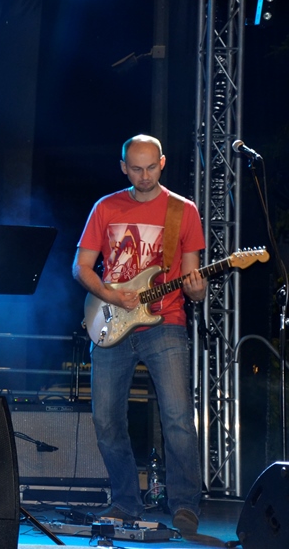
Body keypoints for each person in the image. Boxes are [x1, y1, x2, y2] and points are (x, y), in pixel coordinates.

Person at [73, 134, 206, 536]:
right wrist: (111, 295)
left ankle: (185, 505)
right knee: (106, 418)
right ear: (123, 168)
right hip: (111, 321)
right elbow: (81, 267)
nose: (144, 176)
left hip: (166, 321)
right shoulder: (106, 207)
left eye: (151, 167)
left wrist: (197, 289)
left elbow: (192, 280)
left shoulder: (183, 211)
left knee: (178, 417)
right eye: (136, 168)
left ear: (162, 163)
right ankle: (125, 501)